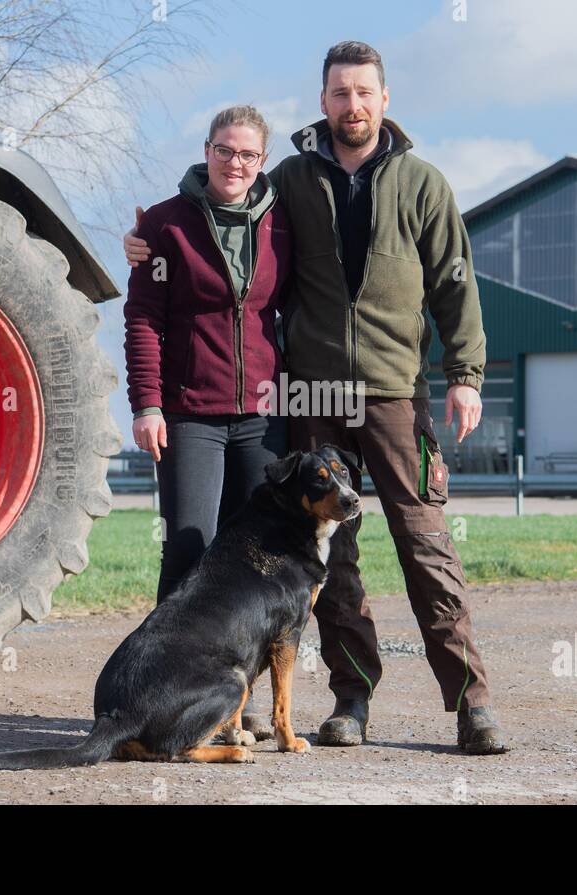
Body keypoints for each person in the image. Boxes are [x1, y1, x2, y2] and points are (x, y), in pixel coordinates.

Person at [126, 42, 512, 755]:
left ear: (385, 100)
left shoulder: (424, 183)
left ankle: (471, 703)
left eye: (364, 92)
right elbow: (221, 212)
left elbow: (456, 282)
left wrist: (466, 373)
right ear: (324, 101)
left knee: (426, 546)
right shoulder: (292, 180)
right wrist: (149, 243)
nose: (352, 106)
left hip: (397, 392)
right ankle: (351, 698)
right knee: (330, 561)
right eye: (339, 93)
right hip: (312, 394)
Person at [123, 105, 290, 738]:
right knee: (189, 551)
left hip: (263, 418)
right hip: (190, 415)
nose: (235, 163)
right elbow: (143, 320)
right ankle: (161, 695)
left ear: (262, 161)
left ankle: (235, 706)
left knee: (263, 561)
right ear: (206, 151)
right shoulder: (165, 226)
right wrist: (148, 404)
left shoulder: (282, 224)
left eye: (248, 154)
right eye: (225, 150)